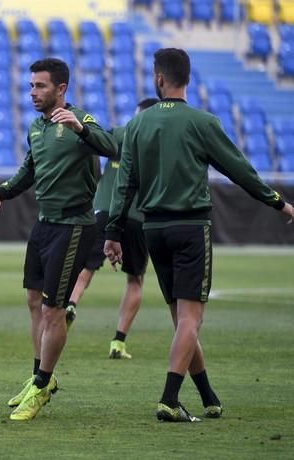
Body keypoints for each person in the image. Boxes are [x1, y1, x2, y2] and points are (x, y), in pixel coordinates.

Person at [104, 48, 294, 422]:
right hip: (190, 228)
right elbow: (239, 170)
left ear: (159, 79)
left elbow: (124, 184)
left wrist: (112, 233)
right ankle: (170, 399)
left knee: (181, 321)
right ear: (186, 79)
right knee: (191, 320)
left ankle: (208, 396)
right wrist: (279, 203)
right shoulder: (202, 121)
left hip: (152, 229)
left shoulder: (138, 124)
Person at [0, 58, 117, 421]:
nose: (33, 93)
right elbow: (28, 170)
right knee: (32, 300)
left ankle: (42, 387)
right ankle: (41, 375)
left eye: (40, 86)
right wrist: (1, 194)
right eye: (31, 86)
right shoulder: (36, 128)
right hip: (44, 224)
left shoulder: (80, 120)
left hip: (73, 227)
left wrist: (81, 130)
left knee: (53, 310)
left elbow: (113, 147)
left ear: (61, 89)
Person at [69, 98, 159, 360]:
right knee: (135, 279)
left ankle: (71, 305)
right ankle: (118, 342)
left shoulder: (119, 133)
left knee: (85, 269)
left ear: (136, 115)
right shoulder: (159, 144)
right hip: (136, 216)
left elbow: (88, 144)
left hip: (104, 210)